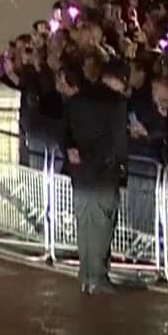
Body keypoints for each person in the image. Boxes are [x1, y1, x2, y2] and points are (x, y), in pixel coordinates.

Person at [62, 61, 131, 294]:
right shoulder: (118, 104)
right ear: (120, 80)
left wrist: (71, 150)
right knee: (102, 225)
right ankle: (98, 277)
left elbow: (65, 131)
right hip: (104, 172)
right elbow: (119, 142)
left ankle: (85, 275)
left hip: (80, 172)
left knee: (84, 223)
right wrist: (121, 167)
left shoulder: (77, 100)